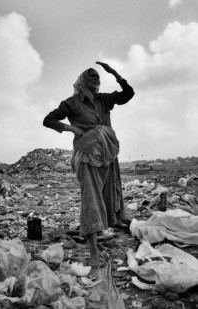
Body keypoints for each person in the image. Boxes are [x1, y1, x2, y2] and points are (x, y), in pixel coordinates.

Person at [43, 62, 135, 268]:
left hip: (108, 154)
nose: (96, 78)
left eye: (98, 77)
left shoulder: (104, 99)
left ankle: (94, 242)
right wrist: (70, 128)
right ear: (83, 80)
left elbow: (128, 94)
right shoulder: (73, 102)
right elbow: (48, 120)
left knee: (106, 197)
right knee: (91, 200)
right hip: (87, 155)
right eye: (91, 76)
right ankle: (93, 250)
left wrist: (115, 73)